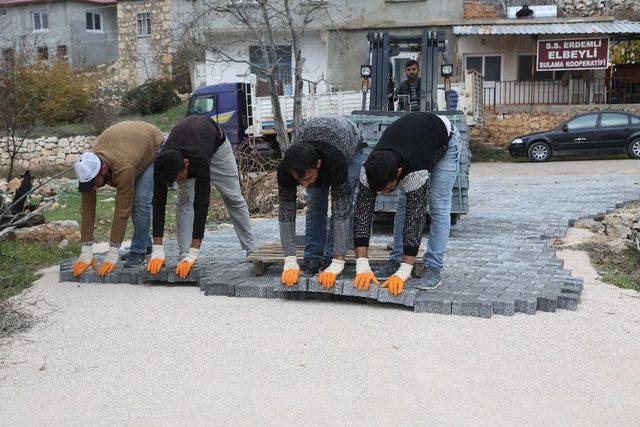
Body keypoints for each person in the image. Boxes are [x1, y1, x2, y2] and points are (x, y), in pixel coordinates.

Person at [351, 112, 461, 296]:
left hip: (444, 143)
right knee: (401, 206)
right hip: (414, 142)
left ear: (399, 172)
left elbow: (415, 218)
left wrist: (405, 272)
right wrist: (362, 264)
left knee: (438, 206)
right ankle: (395, 260)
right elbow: (362, 214)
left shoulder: (414, 171)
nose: (384, 193)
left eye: (386, 188)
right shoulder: (369, 170)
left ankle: (433, 267)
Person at [148, 115, 255, 278]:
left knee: (233, 198)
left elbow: (202, 204)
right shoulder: (162, 164)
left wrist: (195, 251)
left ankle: (251, 249)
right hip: (188, 144)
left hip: (217, 148)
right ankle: (183, 255)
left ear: (186, 164)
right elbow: (158, 203)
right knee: (183, 202)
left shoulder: (199, 160)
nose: (180, 182)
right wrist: (157, 249)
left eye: (180, 177)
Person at [278, 116, 365, 288]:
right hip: (315, 142)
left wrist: (338, 261)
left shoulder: (336, 163)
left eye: (308, 178)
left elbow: (342, 212)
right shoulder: (287, 168)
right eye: (299, 180)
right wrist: (289, 259)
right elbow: (286, 213)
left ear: (318, 164)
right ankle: (312, 258)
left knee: (343, 206)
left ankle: (332, 258)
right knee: (316, 206)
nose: (304, 185)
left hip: (350, 147)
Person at [71, 121, 164, 277]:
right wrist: (86, 251)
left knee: (140, 198)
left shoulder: (123, 167)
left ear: (104, 169)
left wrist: (112, 253)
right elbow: (87, 210)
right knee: (134, 198)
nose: (93, 189)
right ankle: (145, 243)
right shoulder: (89, 168)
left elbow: (122, 211)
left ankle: (139, 249)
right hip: (130, 146)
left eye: (94, 184)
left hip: (152, 144)